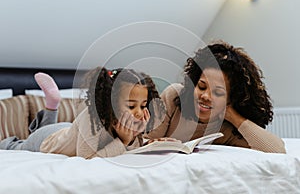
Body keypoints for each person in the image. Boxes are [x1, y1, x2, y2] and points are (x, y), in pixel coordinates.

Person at [145, 40, 286, 153]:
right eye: (201, 86)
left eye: (218, 92)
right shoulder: (174, 96)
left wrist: (232, 116)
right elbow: (143, 141)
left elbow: (277, 150)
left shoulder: (228, 127)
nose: (205, 96)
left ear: (232, 98)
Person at [0, 67, 165, 158]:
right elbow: (87, 156)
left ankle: (52, 104)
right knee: (18, 145)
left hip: (66, 131)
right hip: (46, 139)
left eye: (143, 106)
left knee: (58, 133)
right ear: (111, 102)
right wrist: (123, 141)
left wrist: (137, 136)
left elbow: (130, 149)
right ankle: (51, 106)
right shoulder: (92, 117)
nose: (139, 112)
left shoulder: (127, 123)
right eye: (131, 106)